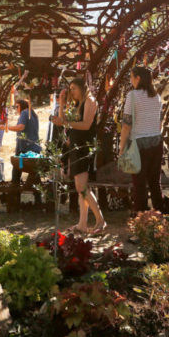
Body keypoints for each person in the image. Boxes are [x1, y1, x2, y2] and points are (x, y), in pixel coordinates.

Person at [53, 78, 105, 234]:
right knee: (80, 187)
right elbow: (62, 121)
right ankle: (82, 224)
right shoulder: (77, 103)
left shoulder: (90, 101)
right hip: (75, 147)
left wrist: (65, 123)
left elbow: (86, 124)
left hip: (84, 147)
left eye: (74, 88)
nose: (72, 91)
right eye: (70, 88)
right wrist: (61, 103)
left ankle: (100, 220)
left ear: (83, 88)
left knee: (81, 187)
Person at [118, 66, 165, 215]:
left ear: (138, 78)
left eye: (131, 77)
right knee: (155, 183)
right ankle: (160, 216)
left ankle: (141, 218)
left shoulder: (132, 96)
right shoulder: (156, 96)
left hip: (139, 143)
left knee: (139, 184)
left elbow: (126, 125)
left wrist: (122, 147)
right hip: (156, 141)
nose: (130, 80)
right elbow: (160, 123)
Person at [5, 99, 40, 185]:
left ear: (22, 106)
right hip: (34, 148)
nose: (16, 109)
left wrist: (6, 127)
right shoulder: (33, 114)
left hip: (24, 149)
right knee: (35, 174)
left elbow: (21, 127)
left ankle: (14, 194)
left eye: (17, 107)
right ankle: (37, 196)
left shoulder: (24, 112)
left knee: (16, 172)